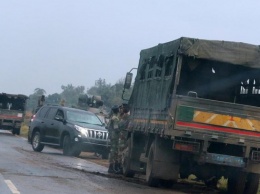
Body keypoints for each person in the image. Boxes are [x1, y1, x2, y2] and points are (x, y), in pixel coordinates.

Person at [117, 103, 130, 174]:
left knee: (121, 153)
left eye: (122, 108)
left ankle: (120, 168)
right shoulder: (124, 116)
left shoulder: (126, 117)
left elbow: (120, 125)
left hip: (123, 136)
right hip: (123, 136)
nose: (121, 109)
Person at [107, 105, 120, 173]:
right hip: (115, 136)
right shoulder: (115, 118)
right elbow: (116, 128)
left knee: (113, 151)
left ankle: (112, 167)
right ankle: (111, 167)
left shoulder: (112, 117)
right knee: (114, 151)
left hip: (112, 136)